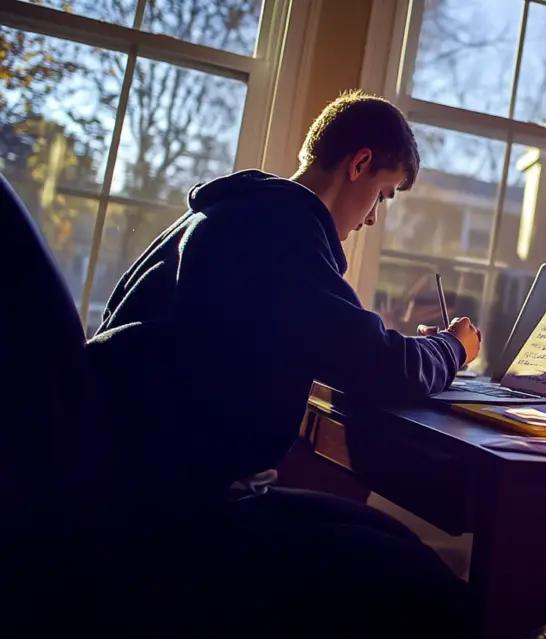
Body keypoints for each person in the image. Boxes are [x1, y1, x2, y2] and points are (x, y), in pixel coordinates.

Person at [85, 90, 478, 635]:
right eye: (382, 195)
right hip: (179, 517)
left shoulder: (229, 217)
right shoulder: (277, 233)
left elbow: (333, 337)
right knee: (433, 593)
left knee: (397, 541)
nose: (371, 219)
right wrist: (455, 347)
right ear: (359, 163)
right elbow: (387, 367)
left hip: (141, 491)